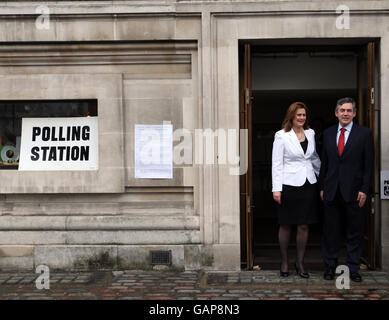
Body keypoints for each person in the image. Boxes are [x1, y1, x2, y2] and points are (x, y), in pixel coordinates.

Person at [319, 97, 374, 282]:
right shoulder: (327, 134)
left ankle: (353, 268)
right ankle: (330, 266)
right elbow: (324, 164)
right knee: (331, 232)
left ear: (354, 114)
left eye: (349, 111)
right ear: (336, 113)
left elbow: (368, 165)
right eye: (342, 110)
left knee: (355, 232)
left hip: (355, 192)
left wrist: (365, 189)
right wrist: (322, 187)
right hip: (331, 190)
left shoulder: (365, 134)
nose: (345, 113)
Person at [272, 102, 321, 278]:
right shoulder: (281, 135)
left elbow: (314, 158)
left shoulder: (311, 133)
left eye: (304, 115)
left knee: (304, 225)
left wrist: (323, 179)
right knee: (286, 224)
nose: (301, 118)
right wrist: (276, 189)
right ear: (291, 116)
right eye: (298, 115)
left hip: (308, 183)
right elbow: (277, 163)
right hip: (288, 185)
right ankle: (284, 261)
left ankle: (300, 262)